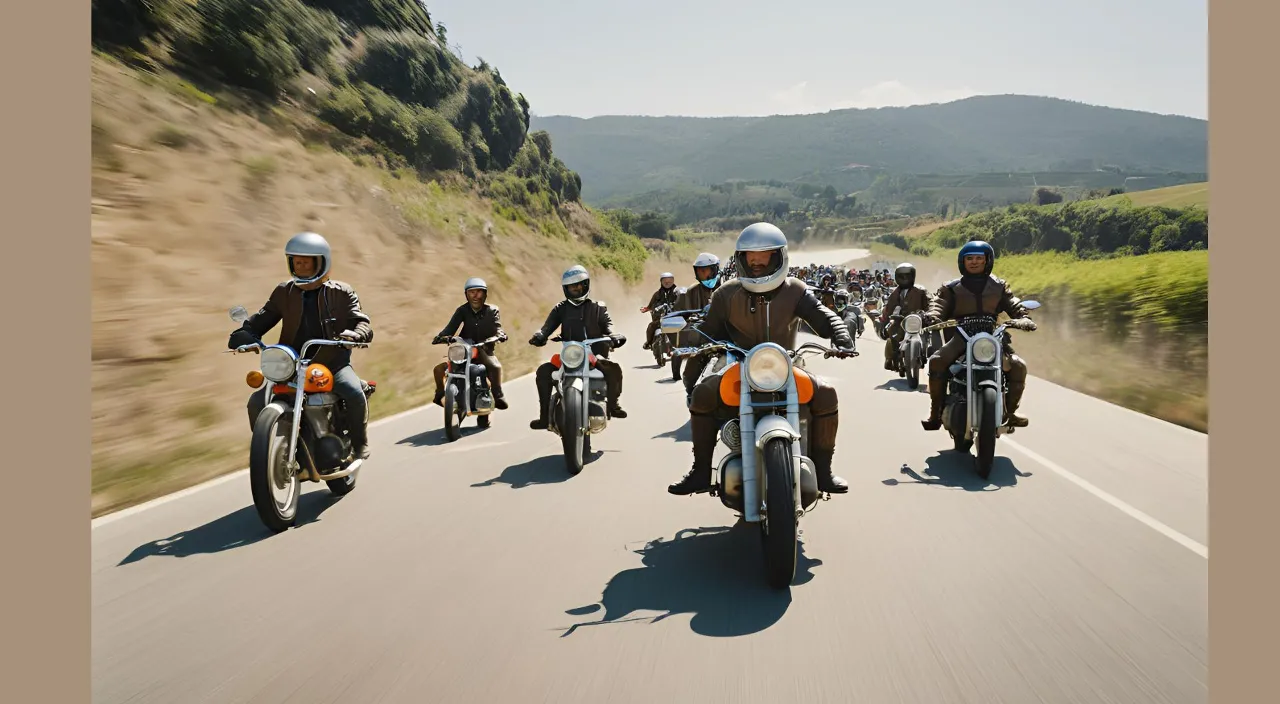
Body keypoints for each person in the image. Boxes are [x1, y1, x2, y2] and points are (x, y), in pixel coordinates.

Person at [668, 223, 857, 497]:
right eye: (750, 256)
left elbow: (823, 316)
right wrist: (689, 342)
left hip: (786, 366)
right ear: (740, 259)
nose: (756, 262)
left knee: (826, 393)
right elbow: (707, 331)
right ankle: (700, 471)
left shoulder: (796, 290)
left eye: (764, 255)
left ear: (778, 256)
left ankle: (824, 472)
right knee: (702, 394)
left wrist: (841, 337)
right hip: (740, 366)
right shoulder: (726, 294)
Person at [228, 232, 375, 460]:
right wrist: (245, 333)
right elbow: (262, 319)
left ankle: (358, 443)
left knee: (354, 392)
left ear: (322, 262)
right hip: (291, 366)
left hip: (332, 363)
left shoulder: (341, 292)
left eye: (307, 261)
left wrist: (357, 335)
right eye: (296, 261)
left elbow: (361, 321)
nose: (301, 265)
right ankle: (268, 453)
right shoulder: (283, 292)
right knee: (257, 402)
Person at [921, 240, 1036, 431]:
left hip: (992, 335)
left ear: (987, 261)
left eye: (979, 259)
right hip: (961, 336)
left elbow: (1013, 303)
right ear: (962, 262)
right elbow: (938, 304)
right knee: (937, 361)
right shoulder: (951, 287)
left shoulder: (998, 286)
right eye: (969, 259)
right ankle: (936, 413)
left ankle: (1010, 412)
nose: (974, 262)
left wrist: (1023, 317)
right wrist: (932, 317)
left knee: (1018, 366)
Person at [528, 265, 628, 429]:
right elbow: (547, 327)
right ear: (566, 289)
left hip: (594, 354)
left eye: (579, 284)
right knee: (544, 371)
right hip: (570, 354)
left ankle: (613, 405)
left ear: (586, 284)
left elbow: (608, 324)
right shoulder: (560, 308)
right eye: (572, 286)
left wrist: (614, 336)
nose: (576, 288)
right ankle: (544, 417)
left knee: (614, 369)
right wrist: (540, 336)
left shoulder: (598, 307)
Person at [431, 277, 509, 410]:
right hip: (464, 348)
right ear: (466, 295)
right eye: (471, 292)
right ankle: (440, 394)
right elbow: (450, 328)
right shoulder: (462, 310)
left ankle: (498, 395)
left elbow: (498, 327)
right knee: (439, 369)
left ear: (485, 294)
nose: (475, 296)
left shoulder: (492, 310)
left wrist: (500, 336)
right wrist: (441, 337)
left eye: (479, 292)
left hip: (484, 348)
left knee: (495, 366)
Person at [675, 252, 723, 397]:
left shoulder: (729, 287)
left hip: (729, 338)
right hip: (704, 340)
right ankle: (693, 401)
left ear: (715, 270)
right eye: (701, 272)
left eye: (707, 270)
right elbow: (685, 313)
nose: (704, 275)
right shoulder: (692, 291)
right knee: (689, 377)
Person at [879, 263, 934, 371]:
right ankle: (890, 358)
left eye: (907, 276)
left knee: (930, 336)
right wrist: (884, 323)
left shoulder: (921, 290)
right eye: (902, 276)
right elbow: (888, 309)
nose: (904, 279)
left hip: (920, 320)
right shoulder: (895, 292)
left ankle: (926, 353)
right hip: (901, 321)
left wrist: (930, 314)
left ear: (912, 276)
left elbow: (931, 303)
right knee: (892, 335)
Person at [640, 272, 681, 351]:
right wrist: (646, 309)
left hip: (675, 318)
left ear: (673, 281)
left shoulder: (678, 292)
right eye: (665, 280)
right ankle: (648, 343)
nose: (667, 282)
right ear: (661, 282)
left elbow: (683, 302)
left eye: (670, 280)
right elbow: (650, 305)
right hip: (661, 318)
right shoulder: (657, 294)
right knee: (651, 326)